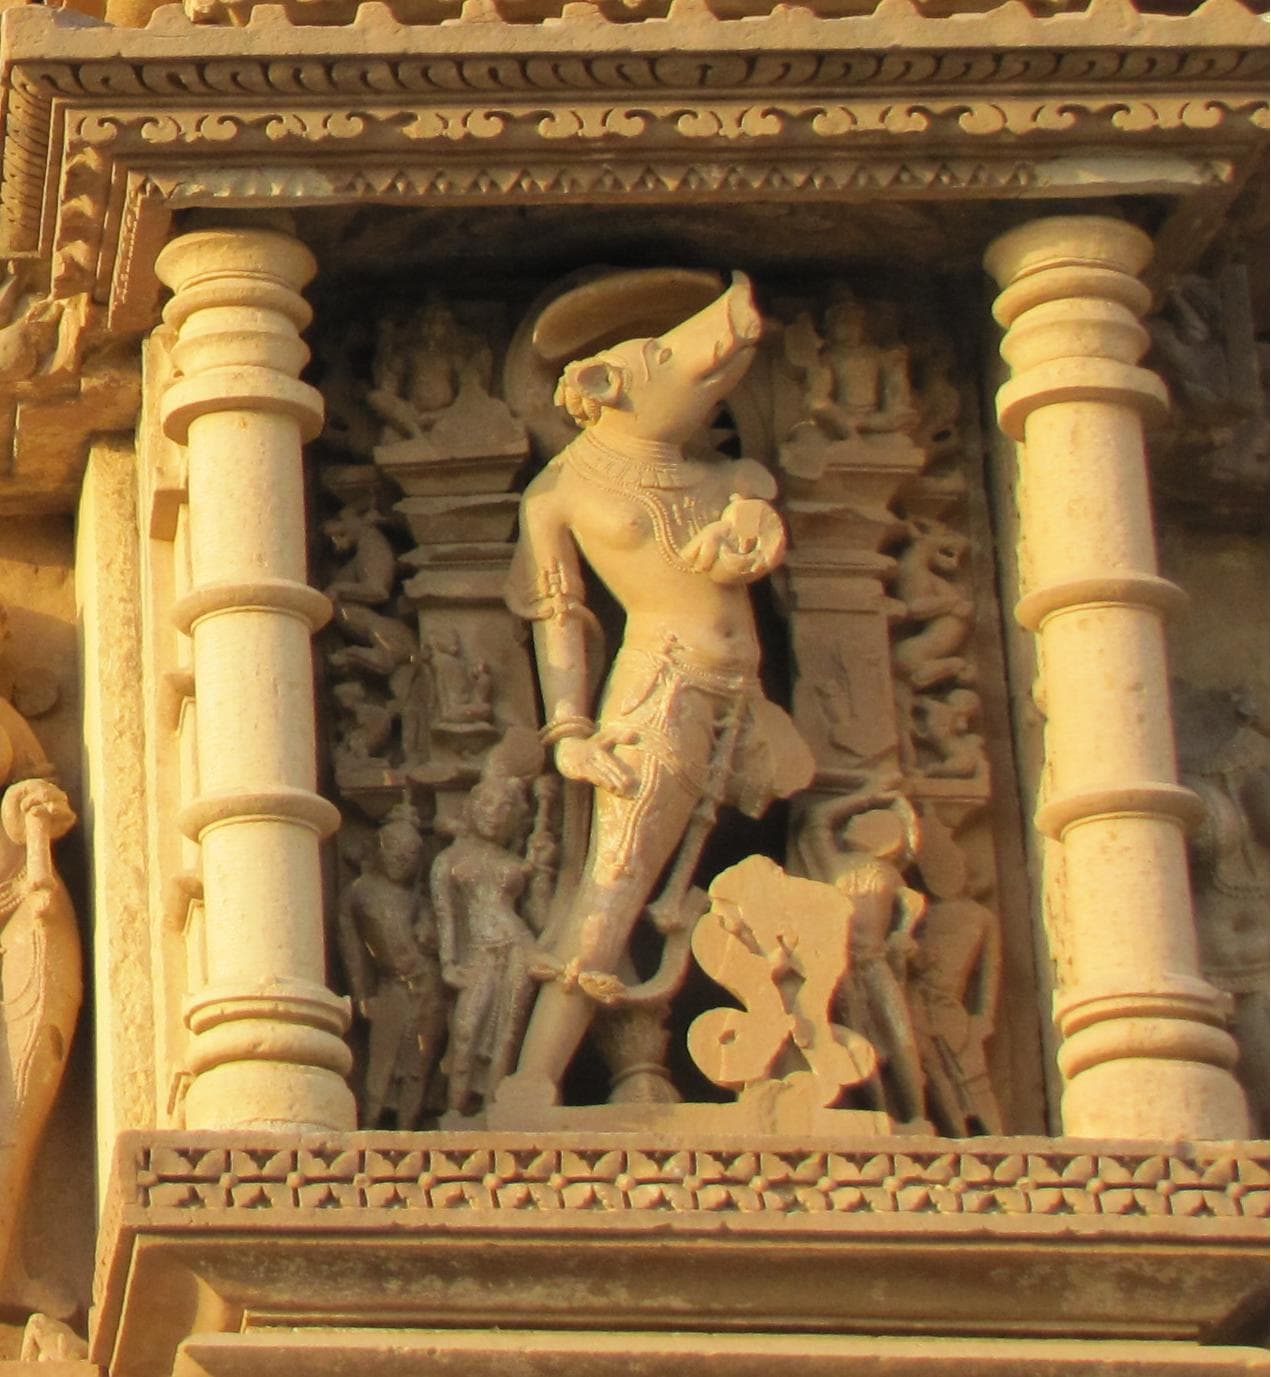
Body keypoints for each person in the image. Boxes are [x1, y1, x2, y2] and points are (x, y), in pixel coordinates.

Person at [498, 273, 813, 1105]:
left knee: (749, 862)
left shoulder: (724, 479)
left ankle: (750, 1055)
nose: (706, 384)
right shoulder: (562, 493)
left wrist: (751, 535)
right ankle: (534, 1079)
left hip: (745, 696)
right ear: (605, 389)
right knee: (619, 876)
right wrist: (568, 728)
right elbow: (558, 614)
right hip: (658, 690)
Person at [0, 606, 81, 1313]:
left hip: (18, 902)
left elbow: (35, 782)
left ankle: (3, 1256)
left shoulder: (4, 719)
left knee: (20, 1076)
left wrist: (34, 803)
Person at [336, 803, 446, 1128]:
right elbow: (352, 948)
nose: (404, 861)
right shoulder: (359, 893)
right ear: (380, 850)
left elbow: (438, 940)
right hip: (392, 987)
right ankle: (369, 1124)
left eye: (412, 856)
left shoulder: (419, 900)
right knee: (381, 1065)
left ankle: (408, 1129)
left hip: (429, 986)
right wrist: (362, 993)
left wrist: (430, 931)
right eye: (397, 853)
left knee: (419, 1065)